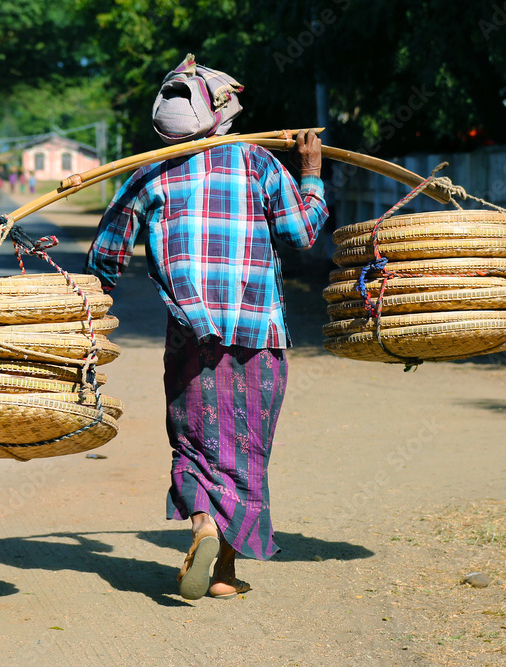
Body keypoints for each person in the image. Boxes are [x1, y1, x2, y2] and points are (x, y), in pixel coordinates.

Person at [84, 54, 328, 601]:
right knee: (245, 444)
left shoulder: (146, 174)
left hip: (189, 334)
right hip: (258, 330)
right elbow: (304, 232)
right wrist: (311, 174)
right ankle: (223, 574)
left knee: (195, 438)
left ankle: (203, 527)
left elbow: (105, 258)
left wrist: (85, 314)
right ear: (221, 117)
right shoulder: (258, 162)